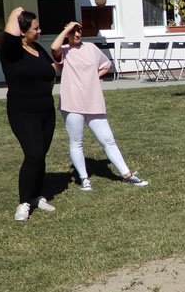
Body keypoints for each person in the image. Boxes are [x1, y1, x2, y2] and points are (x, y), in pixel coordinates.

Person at [51, 21, 148, 191]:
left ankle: (127, 175)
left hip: (93, 100)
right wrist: (67, 28)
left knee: (108, 139)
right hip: (72, 102)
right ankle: (84, 178)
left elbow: (106, 65)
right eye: (73, 32)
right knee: (76, 141)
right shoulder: (64, 51)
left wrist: (93, 77)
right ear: (66, 33)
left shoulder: (91, 48)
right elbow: (54, 48)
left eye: (79, 31)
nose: (76, 35)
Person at [1, 7, 57, 221]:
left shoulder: (38, 49)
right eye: (35, 28)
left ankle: (36, 196)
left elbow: (51, 69)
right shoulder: (11, 52)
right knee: (33, 153)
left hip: (45, 110)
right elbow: (9, 34)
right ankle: (24, 202)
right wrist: (15, 13)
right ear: (22, 31)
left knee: (41, 154)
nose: (40, 30)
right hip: (23, 112)